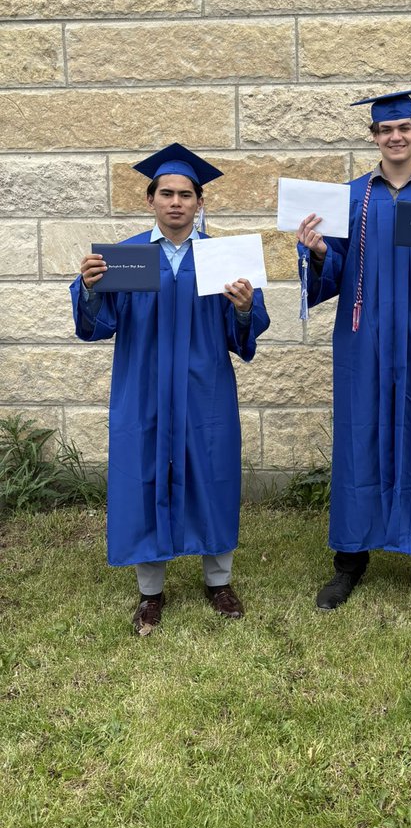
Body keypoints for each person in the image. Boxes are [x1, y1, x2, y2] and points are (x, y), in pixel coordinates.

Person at [71, 144, 270, 635]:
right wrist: (92, 287)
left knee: (213, 474)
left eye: (186, 194)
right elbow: (98, 325)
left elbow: (243, 330)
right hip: (144, 389)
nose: (176, 202)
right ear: (151, 199)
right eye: (166, 193)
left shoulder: (221, 257)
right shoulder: (127, 258)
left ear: (199, 203)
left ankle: (218, 582)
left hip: (205, 391)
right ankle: (150, 593)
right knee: (144, 477)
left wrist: (244, 307)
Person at [296, 88, 411, 617]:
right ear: (373, 137)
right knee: (360, 435)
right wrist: (317, 251)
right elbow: (329, 276)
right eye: (384, 130)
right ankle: (349, 562)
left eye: (404, 128)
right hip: (363, 338)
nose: (395, 137)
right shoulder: (348, 199)